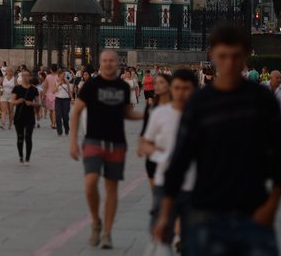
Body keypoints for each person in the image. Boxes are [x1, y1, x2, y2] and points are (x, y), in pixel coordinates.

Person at [154, 24, 281, 255]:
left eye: (235, 56)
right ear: (212, 56)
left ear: (246, 56)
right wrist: (166, 214)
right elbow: (179, 160)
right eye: (223, 56)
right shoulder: (199, 103)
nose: (229, 63)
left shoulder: (261, 100)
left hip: (254, 210)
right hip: (207, 213)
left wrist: (271, 206)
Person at [69, 49, 144, 249]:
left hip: (116, 142)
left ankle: (107, 232)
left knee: (112, 188)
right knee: (90, 182)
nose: (109, 63)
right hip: (93, 140)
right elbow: (76, 112)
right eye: (105, 60)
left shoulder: (122, 86)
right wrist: (73, 141)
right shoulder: (91, 85)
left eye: (112, 60)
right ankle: (95, 221)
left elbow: (127, 114)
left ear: (117, 62)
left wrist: (147, 116)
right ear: (100, 62)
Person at [141, 69, 197, 250]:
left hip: (193, 186)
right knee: (159, 234)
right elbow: (146, 144)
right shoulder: (159, 113)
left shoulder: (201, 115)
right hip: (163, 182)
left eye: (186, 88)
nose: (181, 93)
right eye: (177, 88)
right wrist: (162, 155)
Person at [139, 72, 172, 191]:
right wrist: (141, 145)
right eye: (156, 83)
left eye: (161, 83)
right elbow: (144, 130)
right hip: (154, 157)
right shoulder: (151, 108)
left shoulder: (177, 107)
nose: (157, 86)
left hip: (171, 157)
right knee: (157, 197)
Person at [11, 69, 38, 165]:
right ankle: (20, 156)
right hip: (19, 116)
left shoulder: (34, 89)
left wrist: (32, 103)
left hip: (30, 116)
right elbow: (12, 101)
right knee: (20, 137)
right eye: (23, 75)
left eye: (27, 75)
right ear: (21, 77)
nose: (25, 77)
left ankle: (27, 158)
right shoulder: (17, 88)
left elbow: (38, 103)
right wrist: (18, 101)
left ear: (30, 77)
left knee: (28, 137)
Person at [54, 67, 73, 137]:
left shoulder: (66, 81)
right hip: (58, 99)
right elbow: (54, 91)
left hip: (66, 100)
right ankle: (59, 130)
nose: (64, 75)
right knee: (58, 115)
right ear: (59, 74)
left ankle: (67, 129)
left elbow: (69, 91)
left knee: (65, 116)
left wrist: (72, 98)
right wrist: (58, 84)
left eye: (64, 74)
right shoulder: (56, 81)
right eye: (62, 74)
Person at [43, 64, 59, 129]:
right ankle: (54, 124)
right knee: (55, 110)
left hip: (49, 94)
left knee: (51, 110)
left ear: (50, 70)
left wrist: (43, 95)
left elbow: (45, 87)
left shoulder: (47, 77)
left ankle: (52, 122)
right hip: (57, 94)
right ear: (57, 69)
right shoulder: (58, 77)